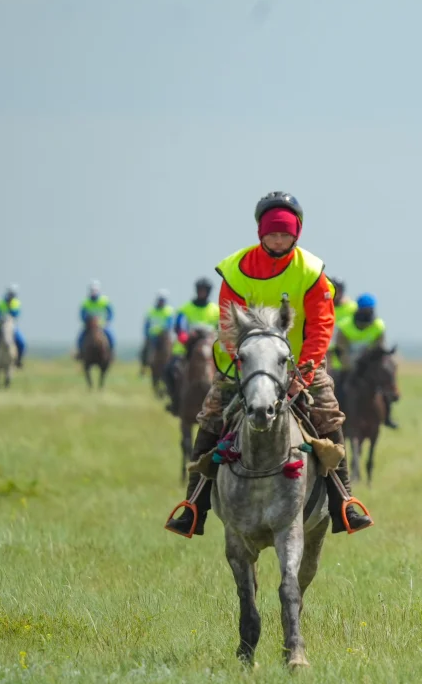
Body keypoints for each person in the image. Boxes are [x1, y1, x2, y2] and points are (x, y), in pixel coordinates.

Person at [165, 191, 371, 537]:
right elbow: (229, 327)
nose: (279, 240)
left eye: (286, 234)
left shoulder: (311, 271)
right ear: (260, 233)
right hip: (247, 364)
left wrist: (303, 374)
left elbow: (321, 325)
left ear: (297, 234)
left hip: (300, 365)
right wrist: (245, 363)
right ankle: (193, 505)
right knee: (212, 415)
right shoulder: (235, 270)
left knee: (329, 413)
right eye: (272, 233)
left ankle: (344, 501)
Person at [340, 293, 399, 429]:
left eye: (370, 309)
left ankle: (388, 415)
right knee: (338, 386)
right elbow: (341, 348)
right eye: (364, 309)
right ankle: (336, 416)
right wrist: (349, 362)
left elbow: (380, 347)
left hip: (370, 365)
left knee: (385, 380)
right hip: (349, 365)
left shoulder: (378, 326)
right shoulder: (345, 326)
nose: (367, 312)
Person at [164, 278, 221, 414]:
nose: (202, 293)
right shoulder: (185, 309)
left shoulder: (216, 310)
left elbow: (222, 328)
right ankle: (175, 401)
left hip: (210, 348)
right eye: (199, 290)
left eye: (204, 290)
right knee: (169, 370)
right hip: (187, 348)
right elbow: (179, 327)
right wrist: (185, 337)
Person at [0, 285, 25, 368]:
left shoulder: (16, 303)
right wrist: (0, 318)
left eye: (13, 294)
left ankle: (19, 360)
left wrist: (10, 315)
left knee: (21, 342)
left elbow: (16, 314)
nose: (11, 295)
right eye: (10, 293)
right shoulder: (0, 302)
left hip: (11, 328)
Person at [78, 281, 114, 356]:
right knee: (80, 338)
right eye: (92, 290)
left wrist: (107, 321)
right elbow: (82, 314)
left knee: (111, 336)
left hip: (102, 325)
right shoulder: (86, 302)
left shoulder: (104, 301)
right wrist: (86, 322)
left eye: (95, 290)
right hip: (90, 326)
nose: (94, 292)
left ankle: (111, 353)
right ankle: (80, 353)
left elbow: (110, 313)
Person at [328, 279, 358, 371]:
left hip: (345, 350)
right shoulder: (323, 306)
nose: (337, 294)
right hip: (326, 351)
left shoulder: (352, 308)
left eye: (339, 290)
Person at [141, 290, 174, 369]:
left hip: (164, 335)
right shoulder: (151, 311)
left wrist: (164, 331)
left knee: (174, 349)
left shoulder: (169, 311)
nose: (161, 302)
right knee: (145, 349)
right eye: (160, 300)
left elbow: (170, 323)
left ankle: (171, 363)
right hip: (153, 336)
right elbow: (146, 324)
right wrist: (146, 334)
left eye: (163, 300)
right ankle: (144, 365)